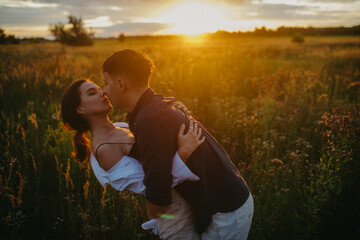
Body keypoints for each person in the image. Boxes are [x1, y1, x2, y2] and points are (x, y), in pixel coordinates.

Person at [101, 49, 254, 239]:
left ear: (121, 83)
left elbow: (159, 191)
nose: (104, 90)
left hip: (224, 211)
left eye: (106, 83)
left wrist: (152, 213)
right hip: (227, 197)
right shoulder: (153, 108)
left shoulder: (150, 119)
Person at [60, 79, 205, 238]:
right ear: (80, 109)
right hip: (174, 215)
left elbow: (157, 151)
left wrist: (175, 116)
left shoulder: (121, 126)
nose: (103, 92)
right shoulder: (104, 149)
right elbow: (151, 186)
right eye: (92, 93)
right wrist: (183, 153)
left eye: (100, 88)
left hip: (192, 197)